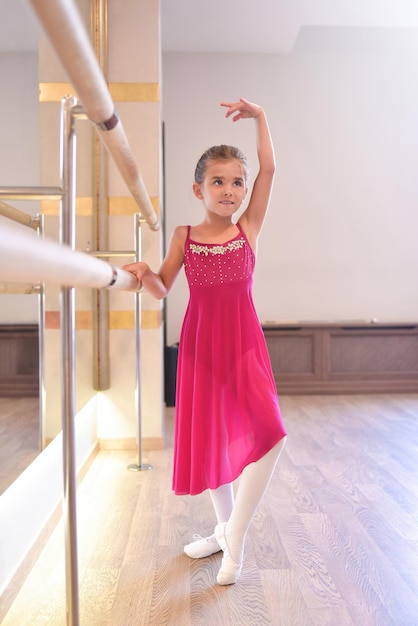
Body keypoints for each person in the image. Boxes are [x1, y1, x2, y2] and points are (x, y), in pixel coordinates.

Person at [123, 97, 287, 585]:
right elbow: (161, 288)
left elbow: (270, 169)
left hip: (243, 345)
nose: (231, 190)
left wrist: (261, 117)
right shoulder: (184, 235)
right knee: (215, 438)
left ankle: (234, 533)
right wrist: (141, 273)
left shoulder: (248, 229)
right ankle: (223, 532)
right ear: (199, 188)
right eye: (219, 181)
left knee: (271, 435)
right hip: (200, 346)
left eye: (237, 182)